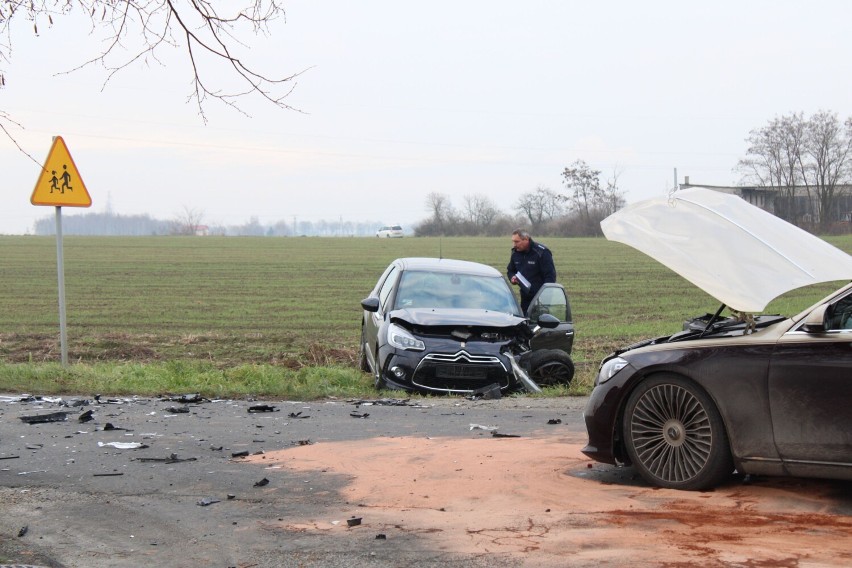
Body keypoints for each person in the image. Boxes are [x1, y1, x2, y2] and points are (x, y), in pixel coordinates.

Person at [507, 228, 556, 315]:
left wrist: (544, 296)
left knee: (540, 323)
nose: (514, 244)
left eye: (517, 241)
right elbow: (510, 270)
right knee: (525, 322)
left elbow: (550, 277)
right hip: (525, 296)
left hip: (541, 297)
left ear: (526, 239)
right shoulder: (515, 253)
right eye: (513, 241)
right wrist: (512, 278)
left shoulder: (541, 252)